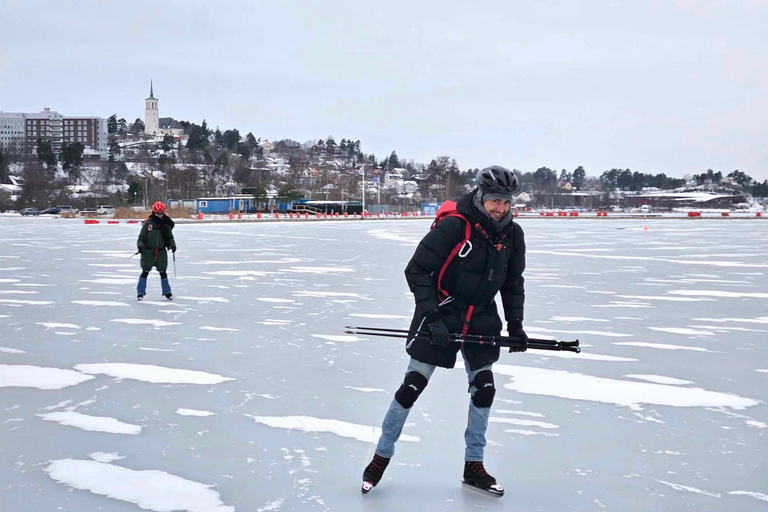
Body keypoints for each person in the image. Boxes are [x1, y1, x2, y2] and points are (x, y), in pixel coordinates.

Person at [362, 166, 527, 497]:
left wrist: (516, 325)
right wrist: (433, 317)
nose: (501, 209)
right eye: (495, 200)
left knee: (484, 389)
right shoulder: (455, 226)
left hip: (481, 317)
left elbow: (512, 283)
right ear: (481, 197)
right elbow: (417, 270)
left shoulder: (512, 234)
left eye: (506, 202)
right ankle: (380, 458)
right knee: (412, 386)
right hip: (442, 312)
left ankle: (474, 467)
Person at [136, 201, 177, 300]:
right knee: (145, 271)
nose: (159, 216)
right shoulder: (148, 224)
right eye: (157, 214)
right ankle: (140, 293)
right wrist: (140, 246)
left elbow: (170, 237)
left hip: (161, 252)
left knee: (163, 272)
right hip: (147, 252)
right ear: (154, 213)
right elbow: (141, 238)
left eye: (161, 213)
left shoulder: (166, 224)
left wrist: (172, 245)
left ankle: (167, 292)